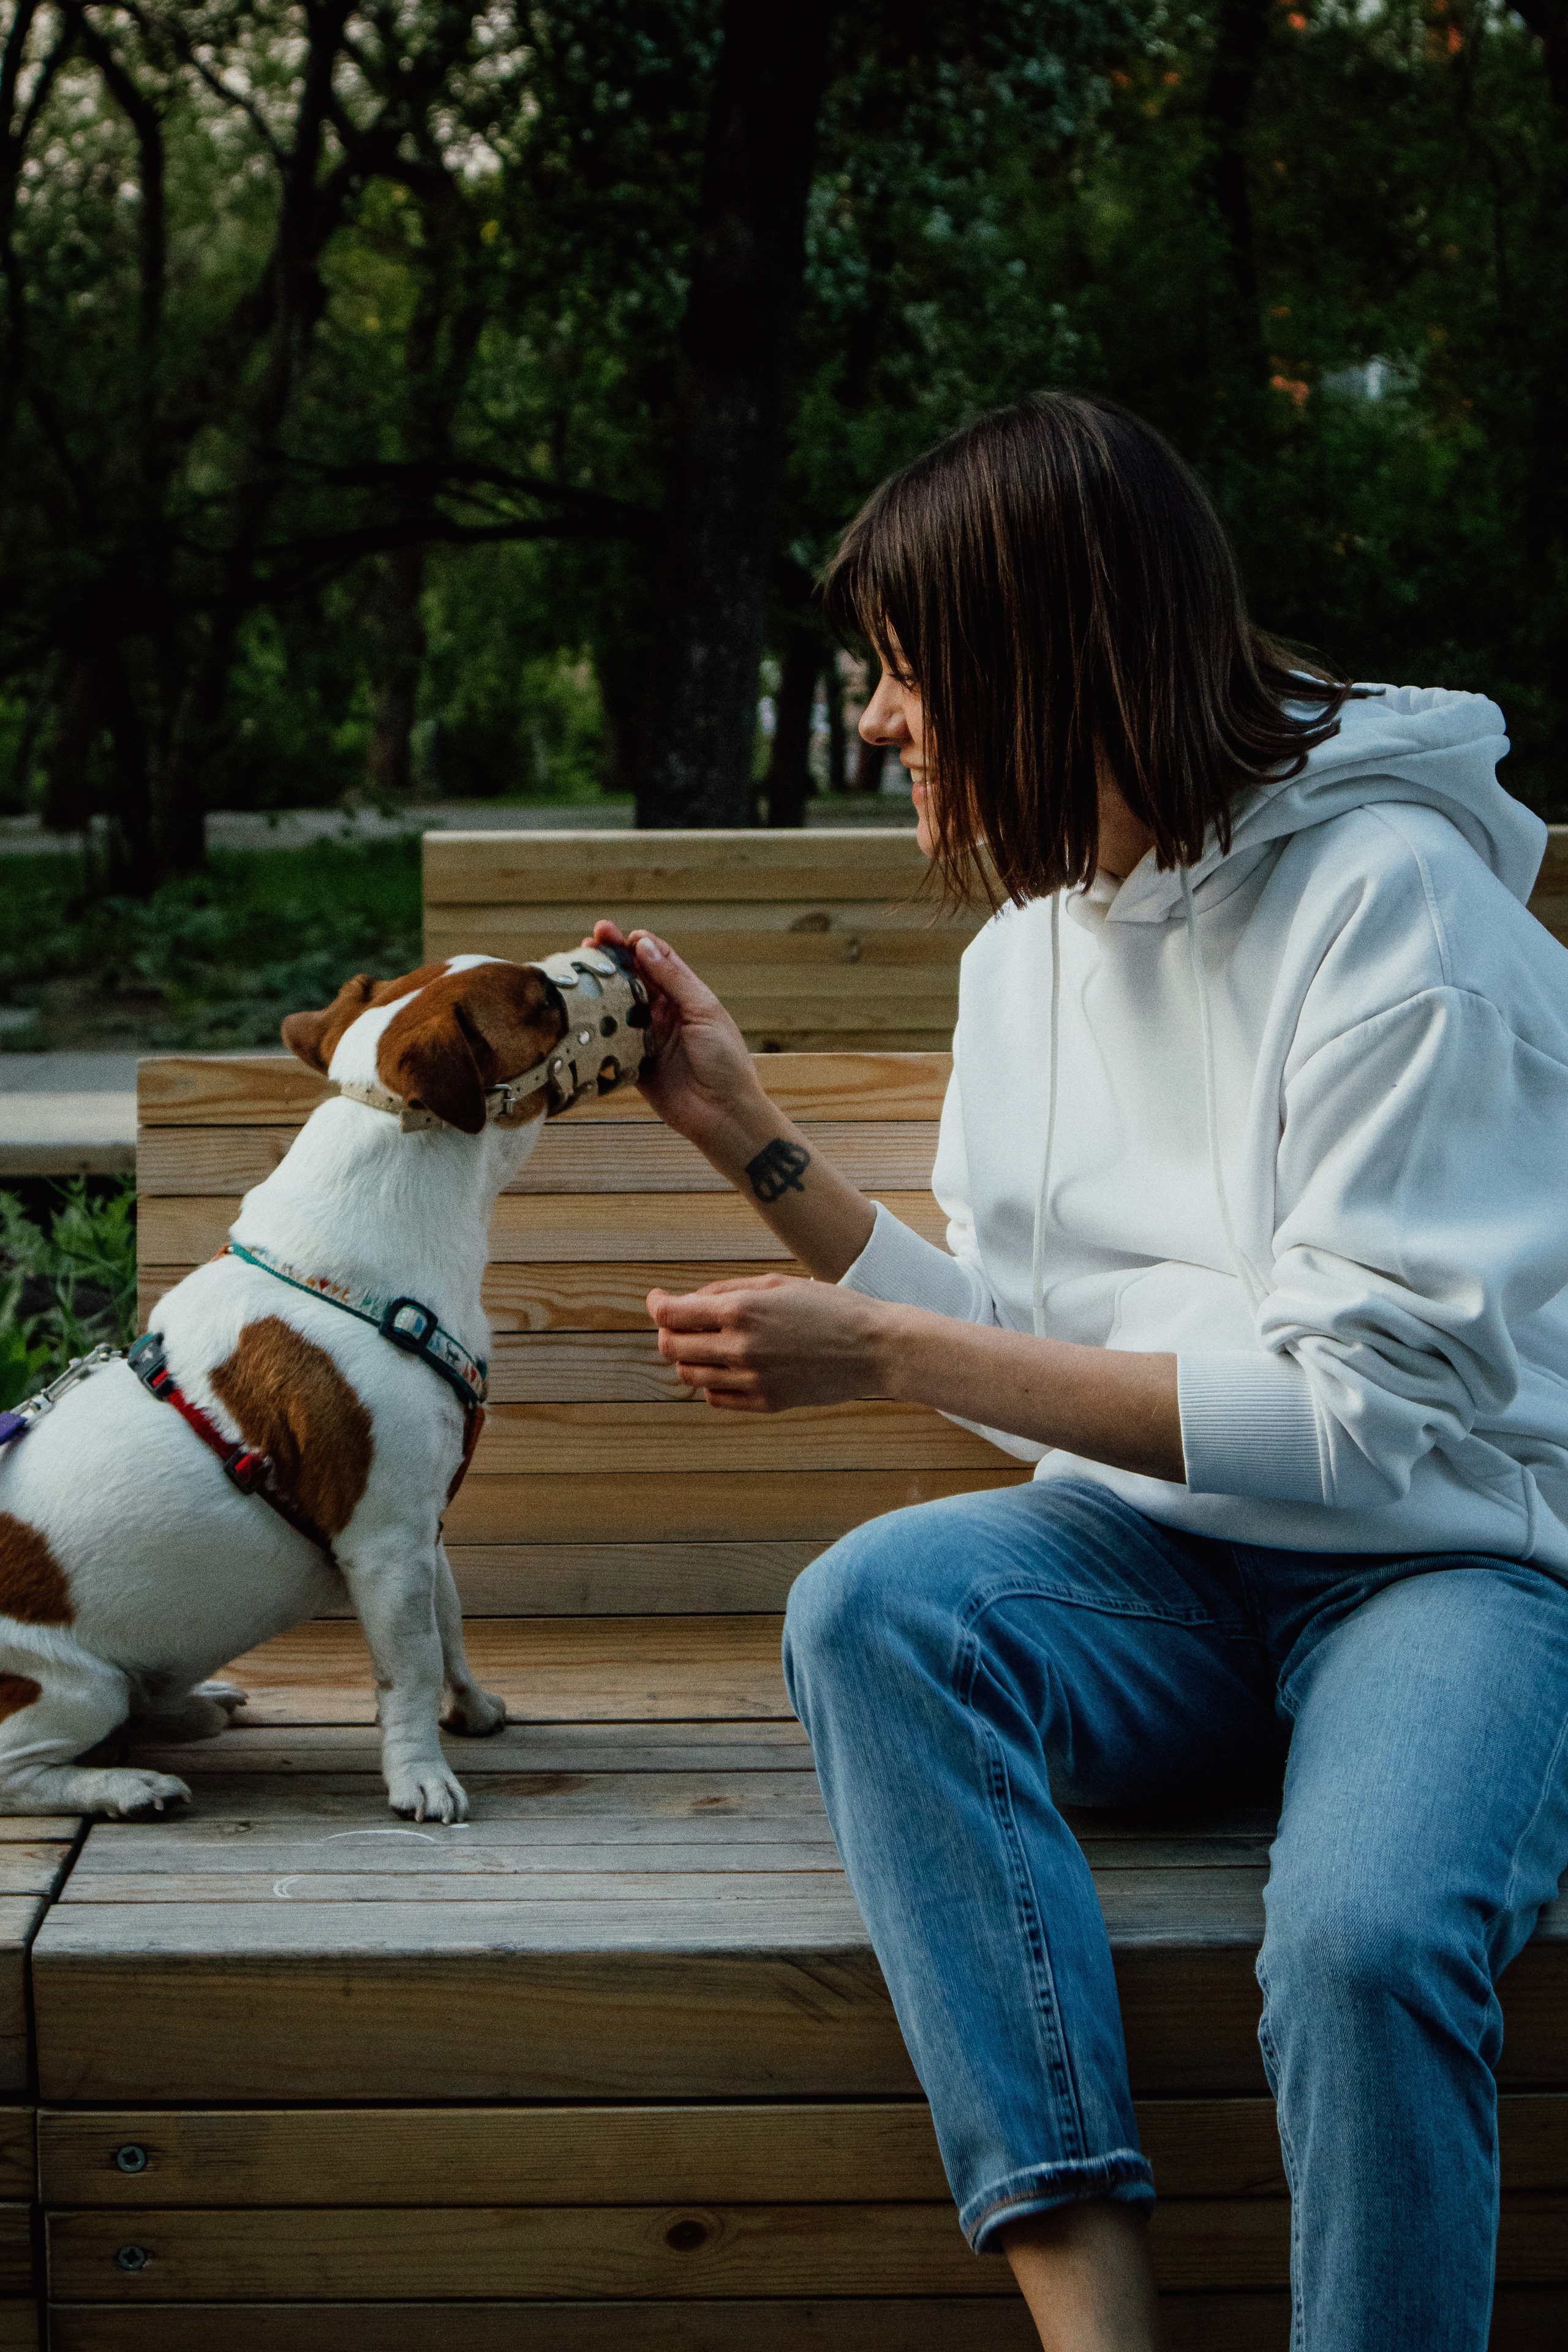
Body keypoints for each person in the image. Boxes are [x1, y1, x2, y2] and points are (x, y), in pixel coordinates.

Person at [590, 394, 1568, 2352]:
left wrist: (875, 1346)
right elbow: (1036, 1357)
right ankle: (1095, 2325)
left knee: (1367, 1942)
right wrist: (753, 1145)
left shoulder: (1401, 910)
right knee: (874, 1604)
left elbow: (1374, 1428)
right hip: (1161, 1573)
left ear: (1052, 659)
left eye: (906, 669)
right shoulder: (1027, 948)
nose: (881, 720)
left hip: (1452, 1569)